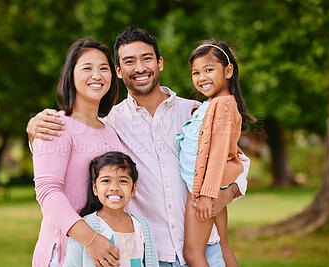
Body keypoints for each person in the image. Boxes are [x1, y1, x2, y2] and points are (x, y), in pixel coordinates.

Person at [27, 26, 250, 266]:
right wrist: (33, 130)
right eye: (129, 62)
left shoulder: (195, 112)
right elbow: (61, 162)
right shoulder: (111, 123)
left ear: (160, 63)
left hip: (205, 249)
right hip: (152, 255)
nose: (140, 68)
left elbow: (236, 160)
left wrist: (226, 194)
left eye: (147, 59)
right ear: (119, 71)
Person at [32, 38, 125, 267]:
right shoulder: (55, 125)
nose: (97, 75)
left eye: (104, 68)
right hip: (65, 254)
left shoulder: (111, 131)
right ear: (70, 76)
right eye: (87, 68)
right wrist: (91, 240)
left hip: (106, 253)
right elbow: (47, 191)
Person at [176, 41, 255, 267]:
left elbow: (219, 153)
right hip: (212, 187)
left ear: (228, 71)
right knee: (221, 244)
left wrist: (207, 196)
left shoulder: (222, 106)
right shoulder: (214, 105)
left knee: (193, 253)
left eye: (209, 70)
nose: (202, 77)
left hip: (204, 191)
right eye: (196, 73)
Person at [63, 151, 159, 267]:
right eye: (106, 181)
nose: (114, 187)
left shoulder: (141, 225)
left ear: (133, 189)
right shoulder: (87, 227)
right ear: (95, 188)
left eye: (123, 181)